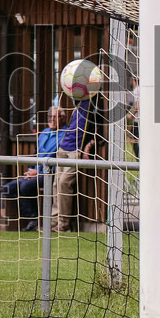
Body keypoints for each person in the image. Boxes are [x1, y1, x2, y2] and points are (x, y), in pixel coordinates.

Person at [0, 106, 65, 232]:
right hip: (35, 173)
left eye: (56, 117)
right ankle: (31, 218)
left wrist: (39, 172)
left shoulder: (65, 135)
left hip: (51, 175)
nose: (52, 119)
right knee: (8, 188)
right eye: (50, 117)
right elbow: (35, 154)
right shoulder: (44, 132)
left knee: (25, 187)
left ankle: (35, 220)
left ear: (62, 119)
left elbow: (60, 162)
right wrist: (31, 170)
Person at [52, 94, 100, 233]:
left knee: (64, 183)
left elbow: (100, 128)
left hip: (76, 151)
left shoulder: (96, 103)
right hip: (64, 147)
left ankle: (63, 225)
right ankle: (54, 222)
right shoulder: (79, 101)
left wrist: (89, 145)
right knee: (56, 184)